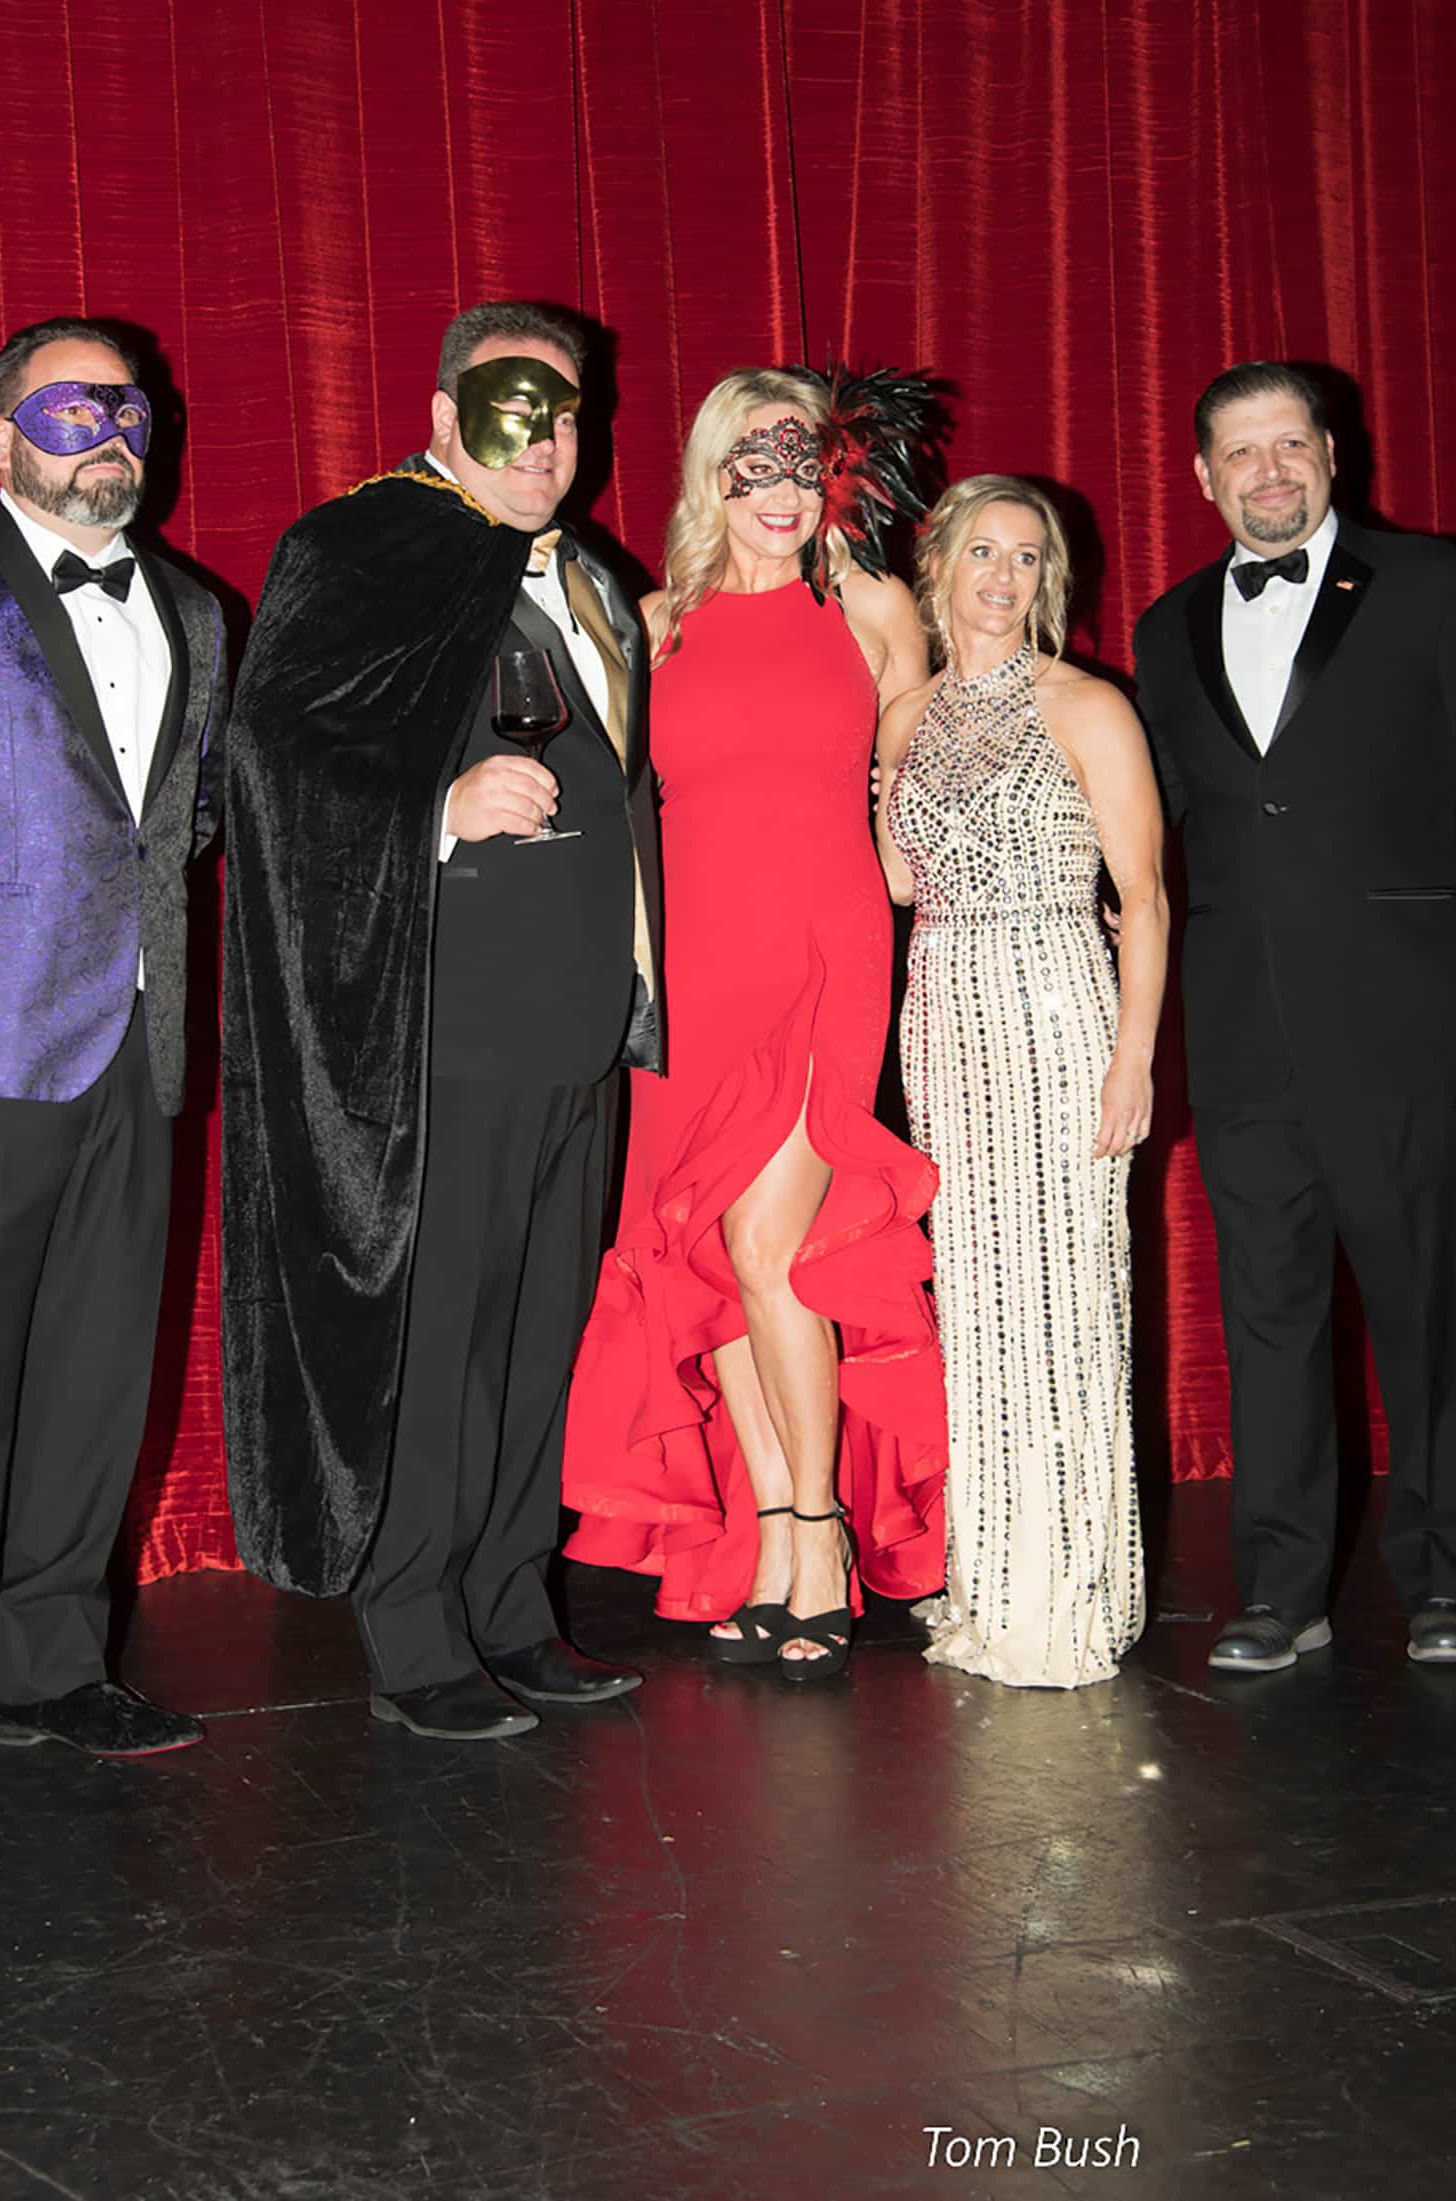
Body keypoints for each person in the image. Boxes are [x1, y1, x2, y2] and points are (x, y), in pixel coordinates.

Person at [221, 301, 662, 1743]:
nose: (546, 442)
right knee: (443, 1342)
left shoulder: (590, 575)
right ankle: (415, 1631)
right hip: (445, 1020)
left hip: (582, 1021)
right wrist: (436, 808)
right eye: (513, 410)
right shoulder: (360, 548)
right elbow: (269, 767)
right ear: (440, 415)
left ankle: (512, 1607)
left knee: (538, 1343)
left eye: (567, 415)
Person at [1134, 360, 1456, 1673]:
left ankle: (1447, 1578)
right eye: (1240, 451)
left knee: (1434, 1300)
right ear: (1202, 475)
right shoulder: (1167, 626)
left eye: (1290, 444)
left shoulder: (1438, 585)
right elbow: (1159, 817)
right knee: (1267, 1313)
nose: (1267, 471)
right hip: (1239, 1026)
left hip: (1410, 1018)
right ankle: (1280, 1587)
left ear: (1332, 453)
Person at [0, 316, 227, 1814]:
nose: (111, 437)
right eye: (74, 410)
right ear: (2, 436)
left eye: (129, 412)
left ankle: (48, 1663)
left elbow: (189, 820)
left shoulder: (196, 607)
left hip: (137, 1039)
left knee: (95, 1363)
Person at [562, 366, 947, 1683]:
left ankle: (818, 1534)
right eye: (754, 466)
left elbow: (918, 801)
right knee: (708, 1253)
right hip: (689, 972)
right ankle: (771, 1539)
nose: (782, 493)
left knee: (772, 1248)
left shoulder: (869, 607)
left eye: (803, 466)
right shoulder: (653, 622)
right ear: (708, 475)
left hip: (821, 954)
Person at [879, 476, 1164, 1688]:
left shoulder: (1085, 704)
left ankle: (1065, 1598)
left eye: (1026, 556)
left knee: (1062, 1296)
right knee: (982, 1303)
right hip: (943, 1013)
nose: (1003, 575)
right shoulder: (903, 715)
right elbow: (898, 882)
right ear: (938, 566)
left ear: (1048, 579)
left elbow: (1143, 896)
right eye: (982, 551)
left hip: (1055, 1005)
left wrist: (1131, 1057)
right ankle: (993, 1583)